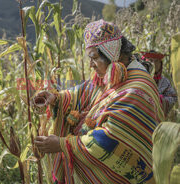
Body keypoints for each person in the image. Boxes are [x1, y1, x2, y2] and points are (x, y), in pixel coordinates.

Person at [34, 20, 164, 184]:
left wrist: (62, 144)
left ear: (112, 54)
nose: (90, 65)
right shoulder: (116, 73)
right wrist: (56, 98)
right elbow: (85, 92)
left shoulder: (136, 90)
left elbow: (111, 140)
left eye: (94, 58)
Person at [142, 50, 178, 115]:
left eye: (156, 61)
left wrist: (160, 100)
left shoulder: (164, 81)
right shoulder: (139, 77)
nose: (154, 64)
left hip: (156, 116)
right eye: (151, 61)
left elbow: (173, 98)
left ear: (161, 64)